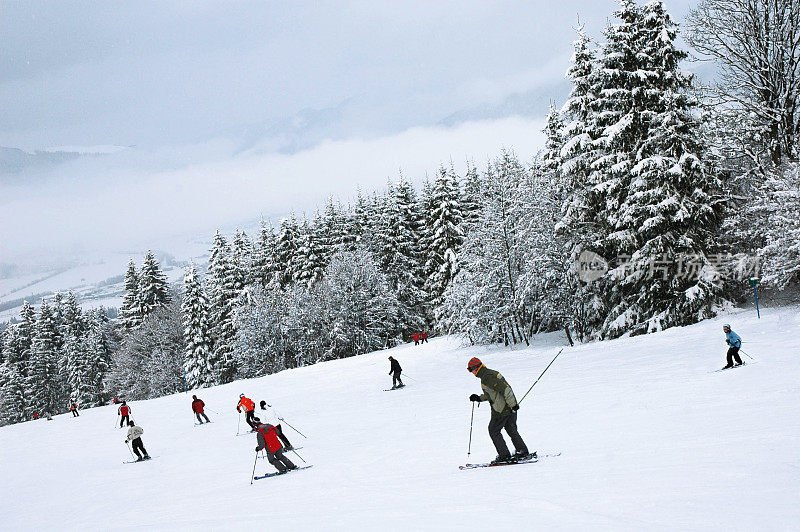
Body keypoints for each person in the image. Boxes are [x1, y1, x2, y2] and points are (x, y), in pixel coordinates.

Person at [467, 357, 530, 464]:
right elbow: (492, 394)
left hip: (502, 409)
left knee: (493, 430)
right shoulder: (488, 374)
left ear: (476, 368)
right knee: (511, 429)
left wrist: (513, 404)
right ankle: (522, 451)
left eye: (470, 369)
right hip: (508, 406)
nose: (471, 372)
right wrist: (479, 398)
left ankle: (504, 455)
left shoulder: (487, 377)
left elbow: (506, 389)